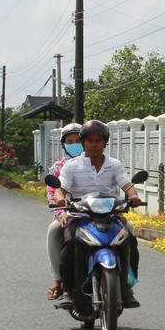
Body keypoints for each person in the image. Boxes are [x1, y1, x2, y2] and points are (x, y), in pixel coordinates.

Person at [56, 119, 143, 310]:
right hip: (80, 216)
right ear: (83, 142)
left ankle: (127, 288)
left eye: (98, 141)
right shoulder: (72, 166)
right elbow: (60, 189)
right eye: (90, 141)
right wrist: (61, 198)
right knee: (69, 242)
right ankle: (67, 291)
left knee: (130, 240)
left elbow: (126, 185)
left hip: (109, 215)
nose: (94, 145)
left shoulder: (114, 165)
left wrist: (133, 196)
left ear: (105, 143)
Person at [44, 122, 84, 300]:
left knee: (127, 230)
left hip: (98, 213)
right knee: (53, 231)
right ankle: (58, 280)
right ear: (64, 144)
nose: (75, 144)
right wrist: (63, 214)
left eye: (78, 140)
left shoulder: (99, 163)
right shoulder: (58, 168)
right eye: (70, 141)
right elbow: (53, 195)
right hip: (69, 214)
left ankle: (127, 282)